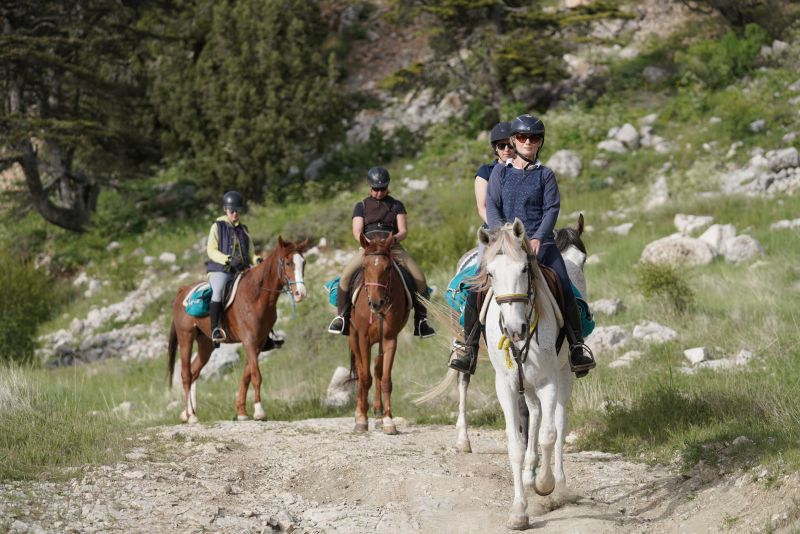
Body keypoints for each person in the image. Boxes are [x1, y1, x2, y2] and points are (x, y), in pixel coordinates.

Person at [449, 114, 595, 377]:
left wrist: (539, 236)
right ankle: (468, 347)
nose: (528, 141)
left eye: (534, 138)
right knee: (477, 287)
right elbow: (492, 204)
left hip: (542, 242)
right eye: (523, 137)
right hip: (505, 243)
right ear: (514, 140)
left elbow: (552, 208)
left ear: (540, 143)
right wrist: (499, 234)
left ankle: (576, 346)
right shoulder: (499, 173)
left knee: (564, 285)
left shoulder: (545, 175)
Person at [327, 166, 436, 338]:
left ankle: (421, 321)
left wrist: (393, 240)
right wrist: (367, 243)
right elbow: (357, 231)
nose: (378, 193)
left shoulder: (397, 205)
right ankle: (342, 317)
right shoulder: (361, 206)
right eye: (375, 189)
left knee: (419, 278)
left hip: (392, 247)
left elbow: (403, 231)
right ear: (370, 187)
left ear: (388, 186)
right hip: (369, 249)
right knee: (346, 276)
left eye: (382, 189)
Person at [206, 190, 258, 343]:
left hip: (241, 271)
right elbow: (211, 250)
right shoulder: (217, 226)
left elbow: (250, 253)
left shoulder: (244, 230)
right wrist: (227, 259)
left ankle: (265, 333)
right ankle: (215, 329)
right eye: (232, 210)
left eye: (238, 210)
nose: (235, 213)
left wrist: (257, 260)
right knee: (219, 290)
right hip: (221, 270)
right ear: (225, 210)